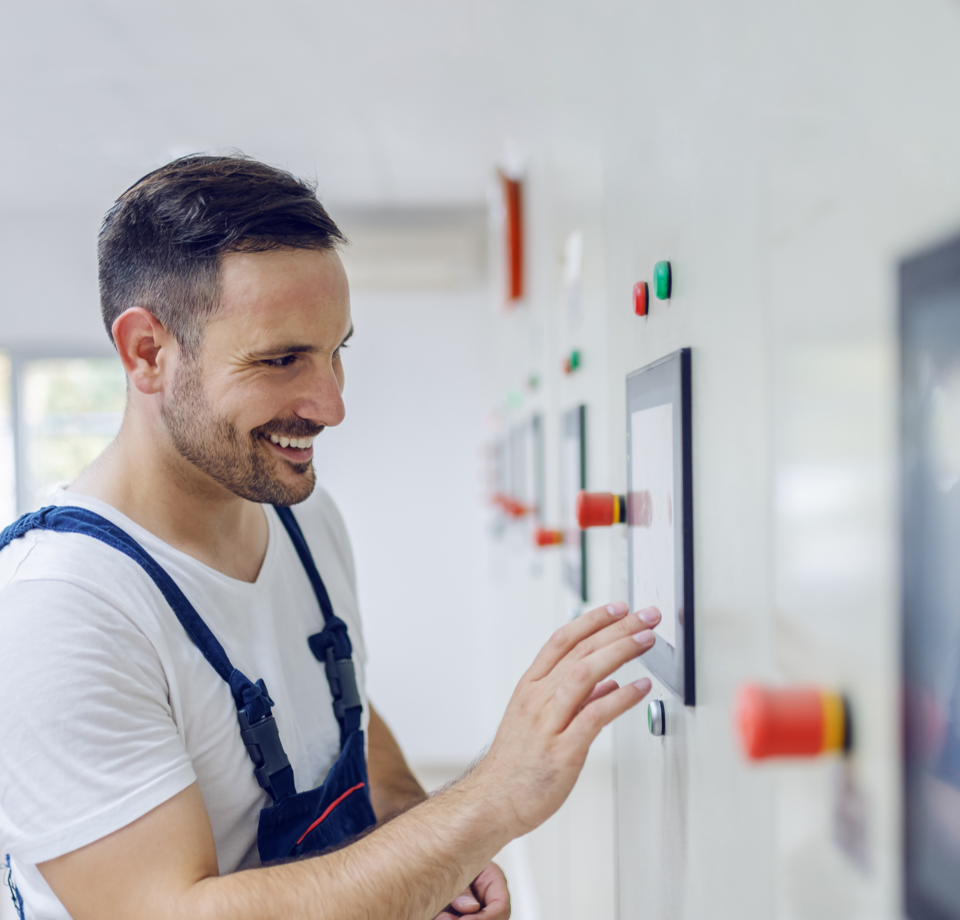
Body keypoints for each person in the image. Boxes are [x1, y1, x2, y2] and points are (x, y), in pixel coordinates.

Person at [0, 155, 660, 920]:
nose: (332, 405)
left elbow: (338, 716)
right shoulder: (55, 614)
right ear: (148, 353)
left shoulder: (303, 517)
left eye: (335, 350)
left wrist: (425, 842)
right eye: (281, 360)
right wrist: (489, 803)